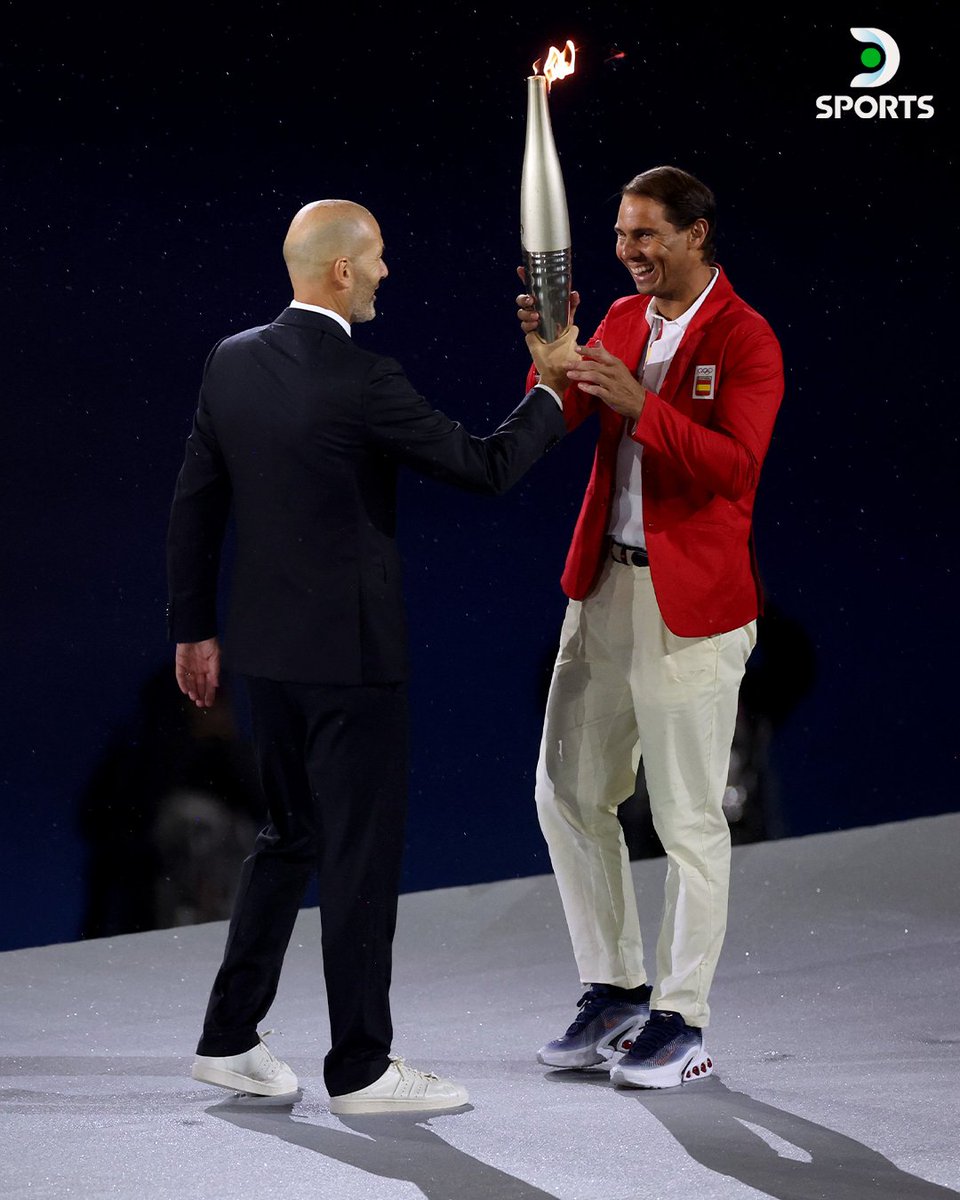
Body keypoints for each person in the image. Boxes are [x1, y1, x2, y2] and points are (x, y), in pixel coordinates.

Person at [167, 199, 566, 1113]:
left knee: (287, 836)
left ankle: (229, 1039)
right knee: (357, 855)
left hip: (265, 656)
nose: (387, 273)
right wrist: (550, 391)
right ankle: (361, 1069)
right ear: (342, 271)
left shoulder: (230, 362)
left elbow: (194, 506)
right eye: (379, 258)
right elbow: (485, 467)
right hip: (352, 661)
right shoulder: (362, 376)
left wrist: (193, 629)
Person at [518, 165, 783, 1088]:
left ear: (697, 233)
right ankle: (616, 989)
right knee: (567, 793)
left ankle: (683, 1019)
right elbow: (569, 410)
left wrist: (648, 408)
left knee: (685, 820)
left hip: (693, 613)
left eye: (646, 236)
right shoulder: (625, 322)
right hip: (602, 594)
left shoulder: (747, 338)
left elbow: (735, 468)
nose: (628, 252)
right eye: (621, 235)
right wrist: (553, 358)